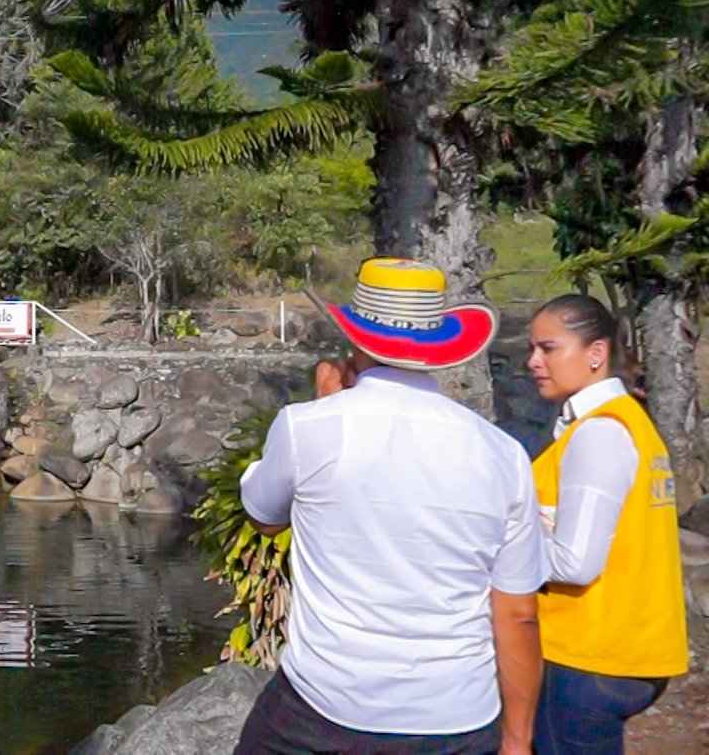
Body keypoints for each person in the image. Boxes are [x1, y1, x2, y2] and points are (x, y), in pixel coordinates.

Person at [235, 257, 548, 754]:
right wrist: (517, 740)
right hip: (458, 717)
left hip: (326, 707)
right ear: (439, 345)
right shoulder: (502, 455)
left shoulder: (308, 427)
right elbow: (518, 614)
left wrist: (322, 405)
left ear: (356, 338)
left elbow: (264, 517)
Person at [525, 294, 688, 753]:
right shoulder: (627, 421)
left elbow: (575, 563)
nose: (533, 361)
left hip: (588, 654)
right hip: (631, 647)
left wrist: (503, 543)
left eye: (548, 348)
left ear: (596, 353)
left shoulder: (599, 433)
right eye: (533, 349)